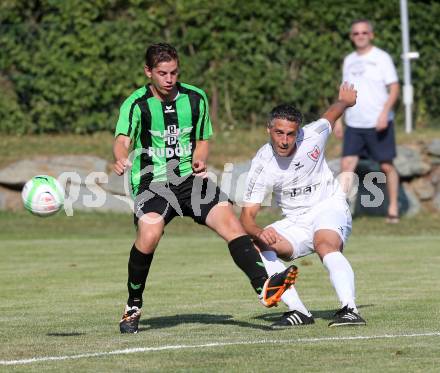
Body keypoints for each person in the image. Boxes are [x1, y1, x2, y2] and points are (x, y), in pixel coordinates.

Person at [113, 43, 297, 334]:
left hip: (189, 181)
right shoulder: (136, 104)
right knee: (149, 234)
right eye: (162, 73)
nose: (169, 79)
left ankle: (262, 285)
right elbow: (123, 139)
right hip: (153, 183)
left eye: (174, 72)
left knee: (231, 224)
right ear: (148, 72)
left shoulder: (195, 98)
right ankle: (133, 305)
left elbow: (203, 138)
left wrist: (200, 158)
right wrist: (121, 156)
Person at [240, 83, 367, 328]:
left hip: (329, 207)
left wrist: (345, 101)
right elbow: (247, 217)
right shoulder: (262, 163)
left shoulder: (313, 135)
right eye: (279, 133)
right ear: (268, 129)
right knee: (256, 246)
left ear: (298, 132)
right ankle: (299, 312)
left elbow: (330, 115)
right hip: (296, 221)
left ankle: (349, 309)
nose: (285, 140)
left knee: (325, 244)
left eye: (290, 134)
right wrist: (259, 232)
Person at [334, 19, 400, 223]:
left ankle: (393, 208)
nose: (360, 36)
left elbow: (395, 88)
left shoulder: (382, 57)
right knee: (347, 164)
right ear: (351, 37)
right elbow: (345, 91)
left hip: (378, 122)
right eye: (356, 33)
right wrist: (338, 119)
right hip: (354, 123)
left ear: (371, 35)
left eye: (364, 32)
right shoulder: (349, 60)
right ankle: (339, 211)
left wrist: (384, 114)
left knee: (386, 166)